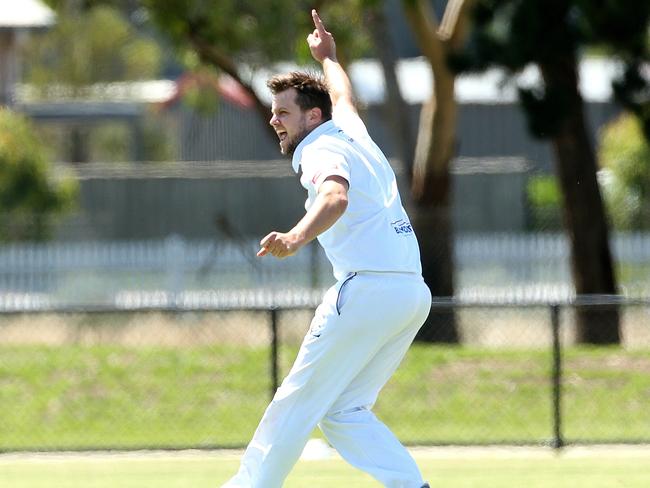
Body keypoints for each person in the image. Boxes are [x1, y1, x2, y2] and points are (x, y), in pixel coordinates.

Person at [223, 9, 431, 488]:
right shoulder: (351, 132)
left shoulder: (319, 149)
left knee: (295, 402)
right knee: (343, 410)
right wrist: (330, 57)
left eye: (283, 112)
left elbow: (334, 196)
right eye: (274, 112)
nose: (274, 120)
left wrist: (296, 237)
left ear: (312, 117)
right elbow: (343, 95)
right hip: (411, 293)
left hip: (366, 291)